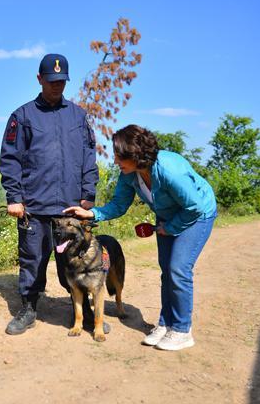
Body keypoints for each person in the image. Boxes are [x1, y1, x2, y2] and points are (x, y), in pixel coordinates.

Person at [64, 125, 217, 351]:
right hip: (168, 218)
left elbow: (193, 207)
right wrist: (91, 213)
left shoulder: (169, 170)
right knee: (167, 271)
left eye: (118, 156)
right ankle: (166, 325)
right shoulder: (129, 173)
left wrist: (171, 227)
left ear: (135, 155)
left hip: (197, 215)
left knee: (178, 269)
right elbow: (119, 204)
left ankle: (182, 330)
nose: (115, 161)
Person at [0, 53, 100, 335]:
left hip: (70, 209)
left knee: (77, 260)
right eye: (52, 81)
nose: (57, 86)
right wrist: (14, 197)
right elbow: (10, 159)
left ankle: (82, 310)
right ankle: (29, 308)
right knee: (32, 260)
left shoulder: (78, 116)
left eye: (62, 81)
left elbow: (89, 158)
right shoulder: (23, 116)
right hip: (34, 206)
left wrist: (88, 195)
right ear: (40, 79)